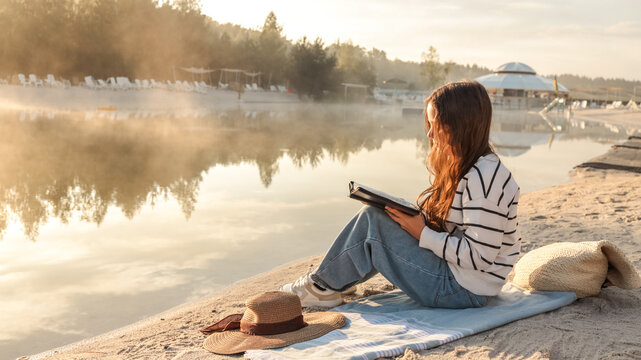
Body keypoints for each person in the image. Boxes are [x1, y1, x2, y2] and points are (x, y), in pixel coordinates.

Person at [281, 81, 521, 309]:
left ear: (457, 125)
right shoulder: (472, 167)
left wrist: (422, 232)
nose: (430, 135)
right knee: (381, 214)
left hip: (463, 290)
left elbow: (479, 256)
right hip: (461, 279)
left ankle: (321, 286)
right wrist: (415, 220)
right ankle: (334, 282)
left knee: (373, 222)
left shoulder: (485, 176)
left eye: (434, 124)